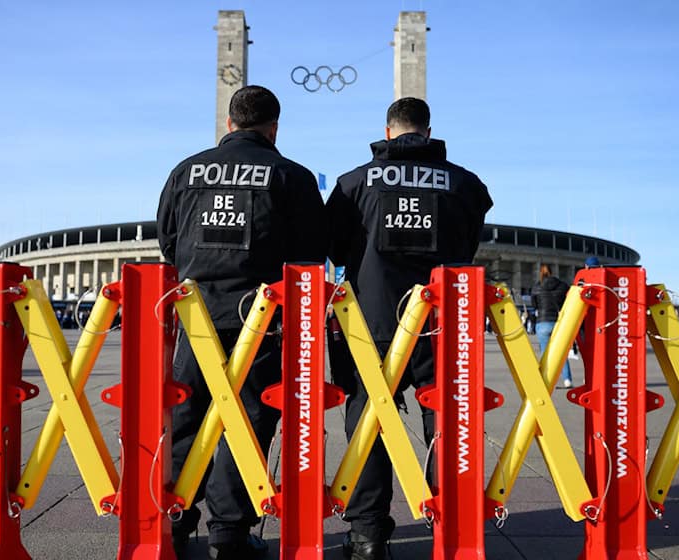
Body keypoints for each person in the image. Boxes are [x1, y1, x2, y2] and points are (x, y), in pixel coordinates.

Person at [157, 85, 327, 560]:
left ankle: (172, 522)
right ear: (274, 127)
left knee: (186, 418)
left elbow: (168, 242)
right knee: (248, 421)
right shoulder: (291, 176)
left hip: (198, 313)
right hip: (259, 317)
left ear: (228, 124)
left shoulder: (186, 171)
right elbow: (312, 253)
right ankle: (229, 533)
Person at [326, 97, 493, 560]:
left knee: (369, 423)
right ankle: (452, 528)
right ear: (428, 129)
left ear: (387, 129)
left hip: (371, 322)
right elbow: (468, 246)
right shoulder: (465, 184)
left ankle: (367, 536)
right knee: (446, 422)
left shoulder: (353, 182)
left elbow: (337, 250)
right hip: (444, 320)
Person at [531, 264, 573, 387]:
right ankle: (567, 380)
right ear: (552, 271)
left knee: (545, 353)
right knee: (562, 352)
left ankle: (546, 380)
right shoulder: (562, 285)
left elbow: (534, 305)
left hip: (542, 322)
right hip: (558, 321)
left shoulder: (536, 287)